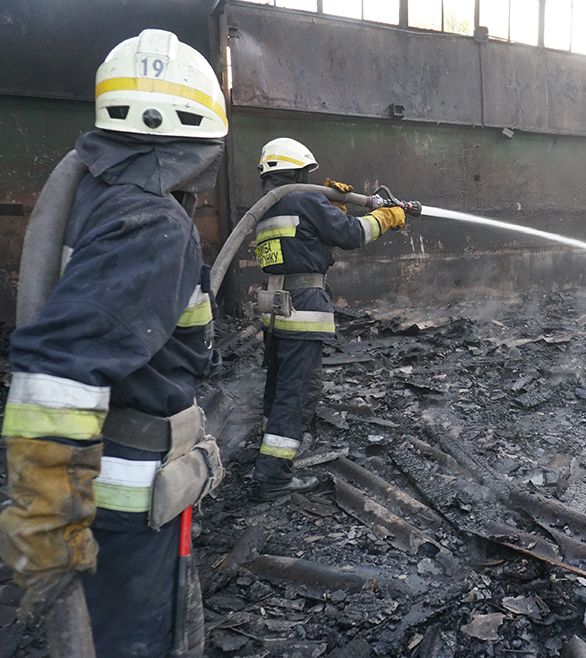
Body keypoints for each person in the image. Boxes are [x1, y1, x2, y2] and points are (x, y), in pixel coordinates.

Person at [0, 29, 226, 656]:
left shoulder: (97, 192)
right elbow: (62, 366)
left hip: (108, 483)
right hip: (125, 491)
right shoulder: (152, 221)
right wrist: (46, 514)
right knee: (139, 640)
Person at [253, 137, 405, 500]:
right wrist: (385, 217)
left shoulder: (267, 207)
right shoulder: (305, 199)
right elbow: (352, 234)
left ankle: (270, 449)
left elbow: (302, 242)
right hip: (303, 306)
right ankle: (273, 476)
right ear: (298, 171)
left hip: (276, 307)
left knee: (279, 384)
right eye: (306, 172)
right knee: (298, 390)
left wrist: (331, 208)